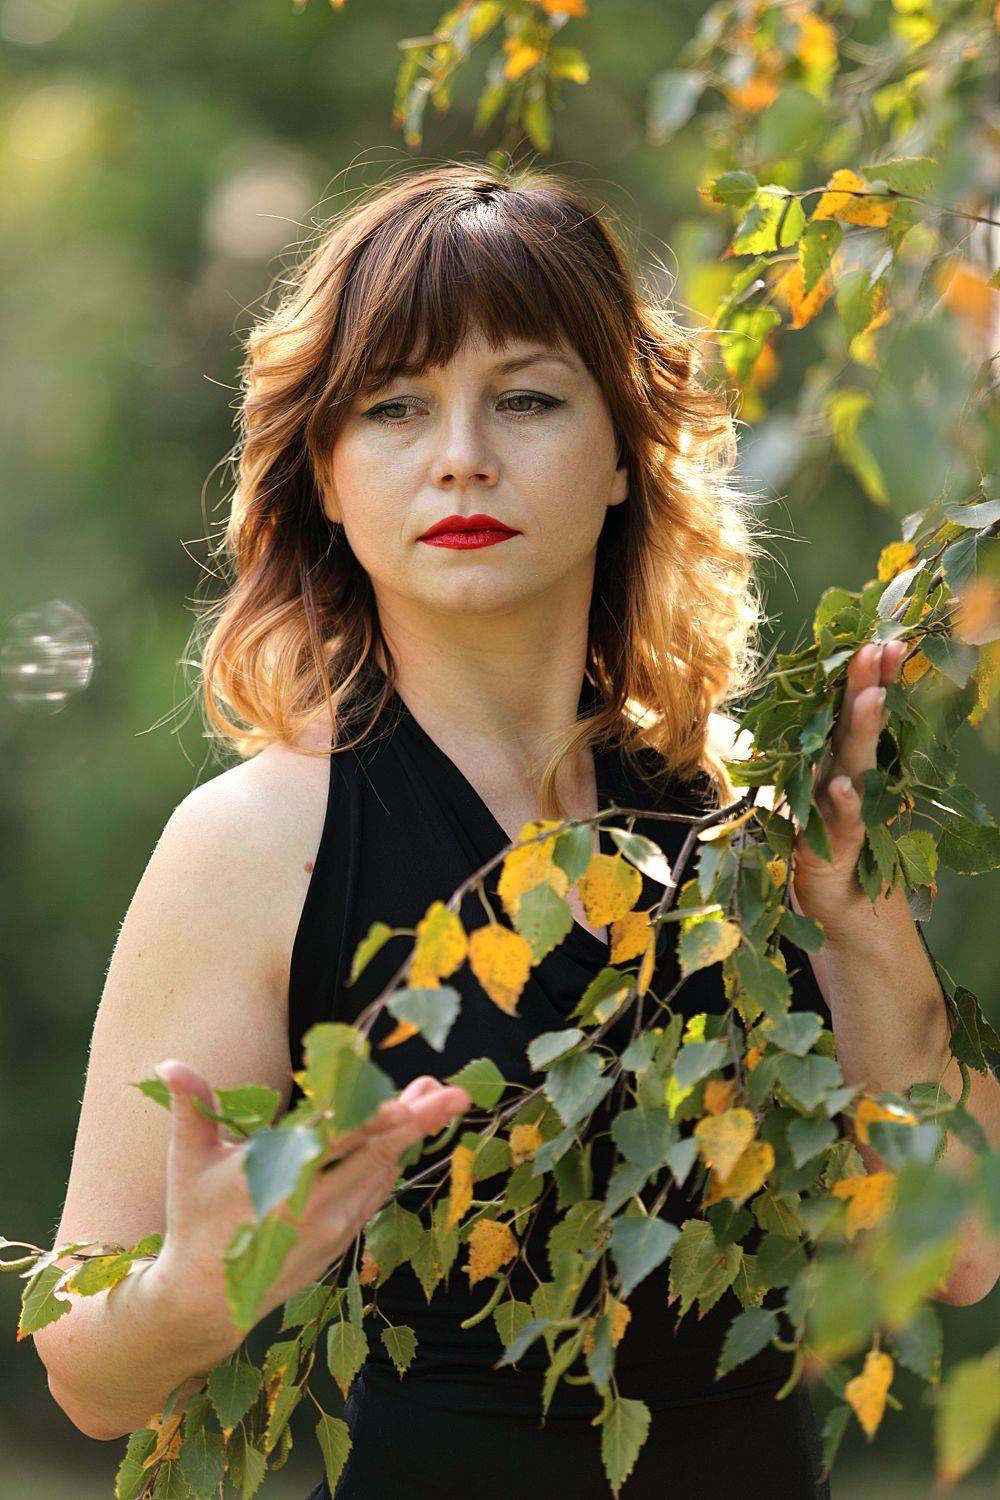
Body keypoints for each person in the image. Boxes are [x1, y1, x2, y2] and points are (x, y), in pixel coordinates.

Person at [33, 161, 999, 1499]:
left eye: (528, 398)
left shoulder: (756, 812)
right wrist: (197, 1290)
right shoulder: (253, 846)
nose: (462, 455)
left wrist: (869, 930)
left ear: (625, 453)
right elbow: (87, 1380)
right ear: (323, 474)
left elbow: (961, 1252)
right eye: (395, 406)